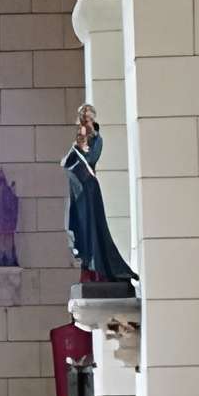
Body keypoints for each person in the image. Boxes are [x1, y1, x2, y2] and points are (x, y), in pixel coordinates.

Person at [63, 104, 135, 287]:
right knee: (81, 230)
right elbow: (67, 162)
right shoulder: (79, 140)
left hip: (89, 190)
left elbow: (91, 159)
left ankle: (99, 270)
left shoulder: (96, 140)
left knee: (93, 229)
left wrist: (79, 154)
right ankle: (88, 269)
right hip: (78, 190)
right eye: (82, 118)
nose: (85, 122)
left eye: (87, 118)